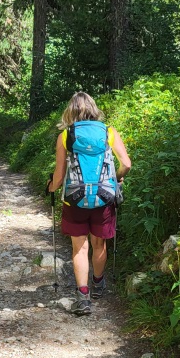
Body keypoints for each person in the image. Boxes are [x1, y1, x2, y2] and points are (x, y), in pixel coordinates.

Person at [47, 92, 131, 315]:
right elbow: (126, 164)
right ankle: (98, 284)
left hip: (75, 200)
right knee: (99, 244)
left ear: (70, 111)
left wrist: (51, 188)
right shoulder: (108, 132)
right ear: (94, 109)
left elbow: (59, 175)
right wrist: (116, 179)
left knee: (80, 248)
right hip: (104, 197)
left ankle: (83, 298)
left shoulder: (66, 135)